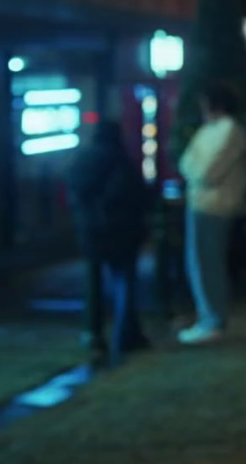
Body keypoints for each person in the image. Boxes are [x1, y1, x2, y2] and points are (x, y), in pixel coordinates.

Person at [66, 122, 152, 363]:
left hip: (91, 232)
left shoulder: (80, 160)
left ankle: (92, 333)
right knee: (124, 281)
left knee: (93, 284)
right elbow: (135, 195)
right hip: (120, 231)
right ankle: (125, 334)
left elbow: (74, 196)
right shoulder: (120, 160)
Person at [176, 80, 246, 345]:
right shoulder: (211, 130)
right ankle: (208, 317)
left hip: (216, 205)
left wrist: (195, 170)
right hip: (200, 203)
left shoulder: (230, 131)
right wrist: (196, 170)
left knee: (208, 264)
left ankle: (214, 320)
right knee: (200, 263)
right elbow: (187, 163)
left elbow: (205, 170)